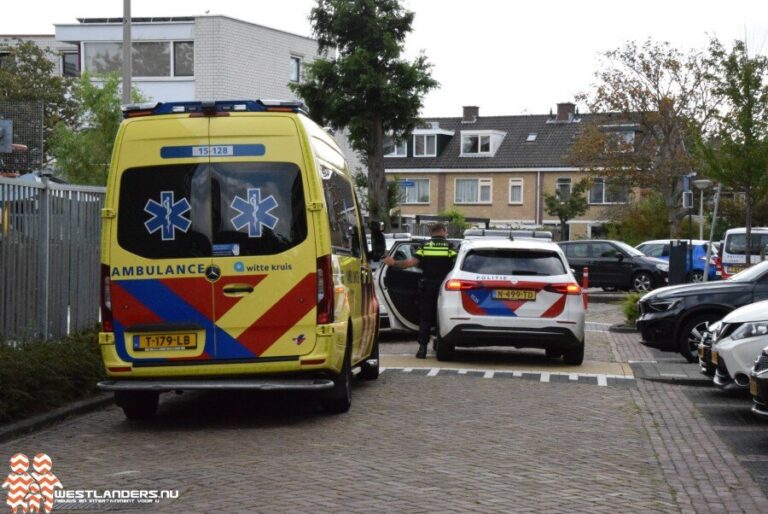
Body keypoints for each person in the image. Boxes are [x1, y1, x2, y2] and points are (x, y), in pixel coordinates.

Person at [383, 223, 457, 358]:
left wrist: (393, 263)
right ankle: (443, 347)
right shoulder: (450, 247)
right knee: (443, 317)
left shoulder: (425, 246)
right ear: (443, 231)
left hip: (427, 287)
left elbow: (410, 263)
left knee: (425, 318)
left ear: (432, 232)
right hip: (445, 288)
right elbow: (456, 266)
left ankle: (422, 349)